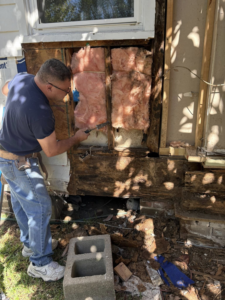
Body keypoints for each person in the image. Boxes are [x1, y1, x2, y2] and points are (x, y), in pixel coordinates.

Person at [0, 58, 89, 281]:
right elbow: (51, 150)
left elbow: (5, 88)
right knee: (40, 208)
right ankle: (40, 264)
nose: (68, 94)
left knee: (21, 202)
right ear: (49, 87)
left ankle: (31, 245)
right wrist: (76, 138)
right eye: (66, 90)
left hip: (4, 157)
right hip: (21, 163)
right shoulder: (40, 111)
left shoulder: (22, 79)